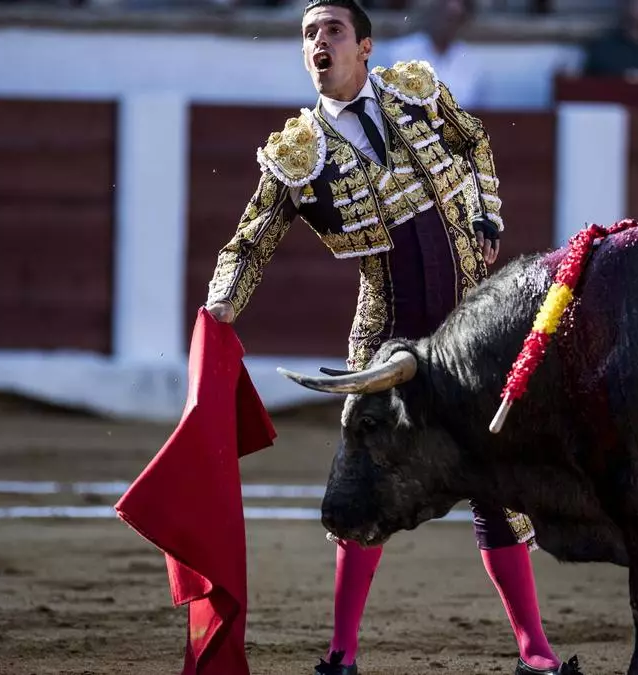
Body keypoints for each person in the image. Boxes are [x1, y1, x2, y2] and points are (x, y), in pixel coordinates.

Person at [203, 2, 581, 674]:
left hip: (472, 329)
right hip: (387, 342)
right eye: (308, 34)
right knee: (363, 494)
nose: (319, 42)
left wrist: (487, 211)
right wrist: (219, 307)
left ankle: (536, 652)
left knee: (498, 488)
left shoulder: (416, 90)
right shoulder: (299, 152)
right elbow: (250, 240)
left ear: (365, 46)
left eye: (333, 31)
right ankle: (341, 654)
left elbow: (472, 141)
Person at [380, 0, 484, 108]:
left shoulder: (472, 60)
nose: (447, 24)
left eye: (454, 18)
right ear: (433, 14)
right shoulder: (399, 52)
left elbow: (478, 110)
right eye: (444, 15)